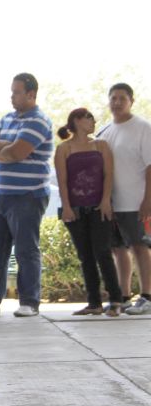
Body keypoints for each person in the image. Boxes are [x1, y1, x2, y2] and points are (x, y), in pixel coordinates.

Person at [0, 73, 53, 318]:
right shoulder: (7, 118)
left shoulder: (39, 121)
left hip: (27, 196)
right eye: (12, 91)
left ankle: (29, 302)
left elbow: (16, 153)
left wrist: (3, 149)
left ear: (31, 94)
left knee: (26, 250)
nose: (12, 96)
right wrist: (4, 149)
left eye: (17, 92)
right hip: (1, 196)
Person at [55, 108, 123, 317]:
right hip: (75, 208)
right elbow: (62, 180)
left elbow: (108, 175)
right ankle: (94, 302)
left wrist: (105, 201)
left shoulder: (101, 145)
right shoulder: (64, 148)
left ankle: (115, 300)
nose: (93, 122)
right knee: (86, 256)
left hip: (99, 207)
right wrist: (66, 206)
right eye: (89, 118)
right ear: (77, 121)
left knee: (103, 252)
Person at [97, 83, 151, 315]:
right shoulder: (105, 131)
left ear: (131, 101)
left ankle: (147, 296)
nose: (117, 102)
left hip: (136, 201)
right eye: (113, 98)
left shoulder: (143, 128)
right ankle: (124, 296)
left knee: (140, 247)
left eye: (122, 98)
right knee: (118, 249)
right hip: (111, 203)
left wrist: (147, 200)